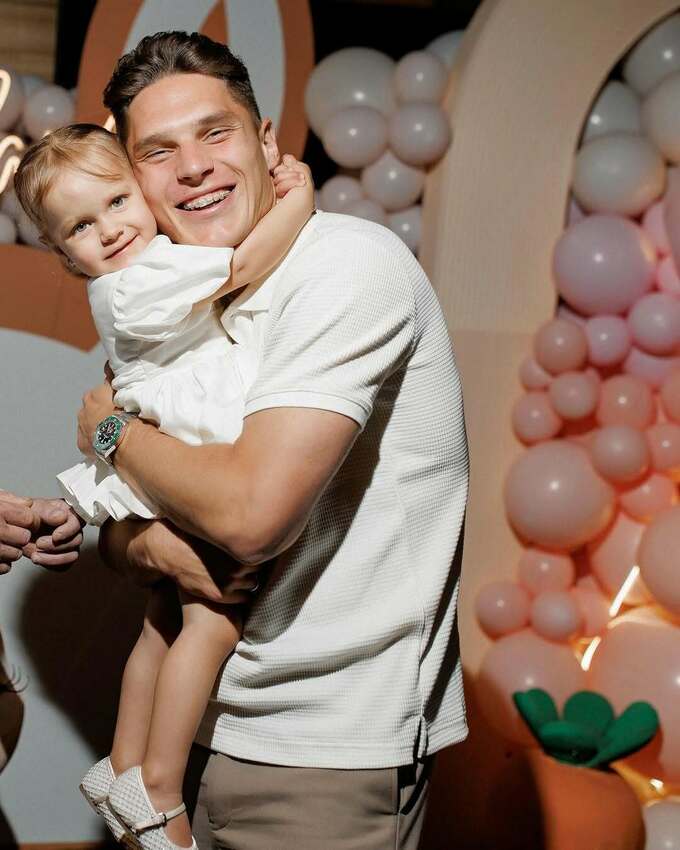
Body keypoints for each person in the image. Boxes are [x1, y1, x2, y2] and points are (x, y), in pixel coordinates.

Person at [3, 30, 468, 850]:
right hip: (211, 730)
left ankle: (140, 780)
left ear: (265, 141)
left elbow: (246, 520)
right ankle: (139, 779)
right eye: (158, 151)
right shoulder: (175, 295)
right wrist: (152, 541)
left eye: (214, 133)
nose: (192, 168)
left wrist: (108, 430)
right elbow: (136, 532)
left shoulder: (343, 267)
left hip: (322, 752)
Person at [13, 123, 314, 850]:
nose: (110, 229)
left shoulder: (138, 272)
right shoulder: (138, 280)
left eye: (118, 202)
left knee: (161, 618)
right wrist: (297, 202)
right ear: (64, 254)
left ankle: (123, 762)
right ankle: (159, 786)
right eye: (81, 227)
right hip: (191, 443)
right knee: (213, 622)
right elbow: (243, 262)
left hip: (167, 437)